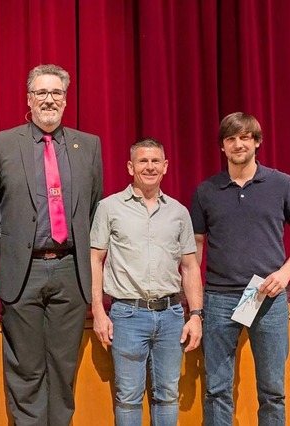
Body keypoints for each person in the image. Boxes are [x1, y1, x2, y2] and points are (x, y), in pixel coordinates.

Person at [0, 64, 103, 425]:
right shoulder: (2, 144)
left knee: (64, 368)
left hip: (71, 271)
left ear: (66, 100)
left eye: (56, 93)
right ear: (28, 99)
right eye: (41, 93)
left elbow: (95, 206)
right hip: (24, 272)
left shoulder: (89, 145)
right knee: (27, 371)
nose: (49, 100)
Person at [191, 112, 290, 425]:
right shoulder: (206, 191)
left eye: (245, 137)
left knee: (272, 391)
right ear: (222, 147)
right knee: (216, 390)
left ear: (256, 142)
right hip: (218, 300)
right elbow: (195, 249)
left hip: (268, 300)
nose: (238, 144)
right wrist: (194, 304)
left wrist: (284, 274)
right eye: (231, 138)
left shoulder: (281, 184)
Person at [90, 138, 203, 425]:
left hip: (171, 316)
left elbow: (190, 267)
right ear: (130, 167)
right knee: (128, 397)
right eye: (143, 161)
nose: (149, 167)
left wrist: (196, 315)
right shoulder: (109, 208)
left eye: (155, 161)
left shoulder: (179, 212)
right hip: (127, 315)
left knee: (167, 394)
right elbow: (95, 260)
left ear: (165, 167)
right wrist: (99, 312)